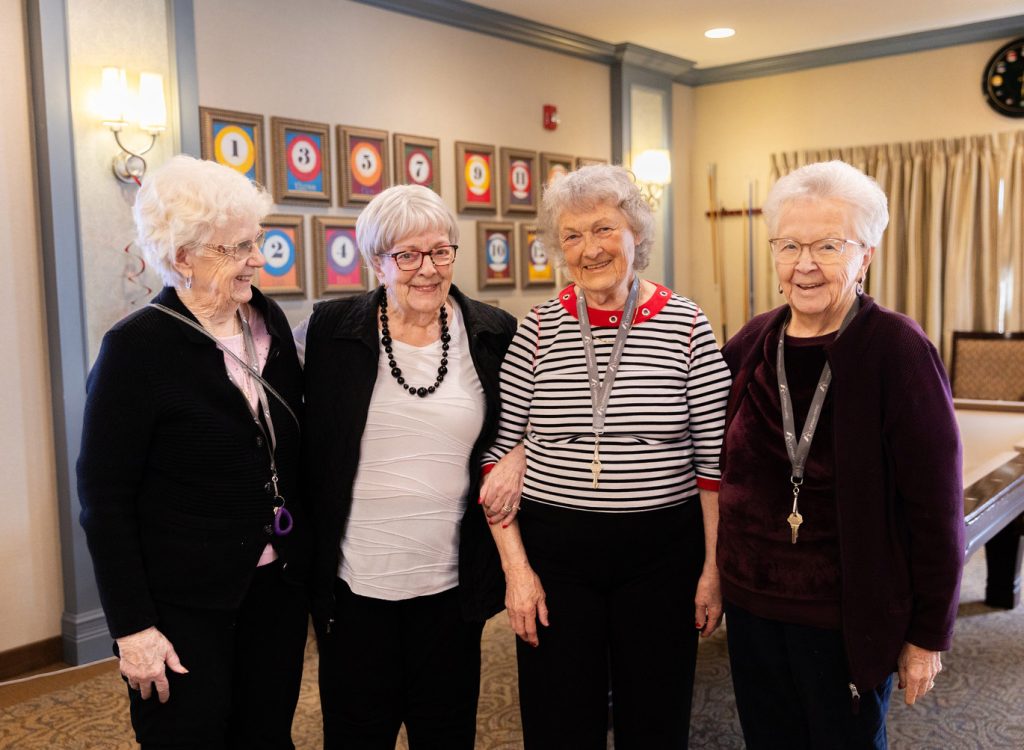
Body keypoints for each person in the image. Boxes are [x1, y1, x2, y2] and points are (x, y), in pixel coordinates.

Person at [479, 164, 732, 749]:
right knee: (559, 722)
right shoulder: (538, 329)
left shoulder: (687, 325)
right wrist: (517, 573)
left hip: (661, 557)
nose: (589, 248)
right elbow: (495, 453)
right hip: (555, 558)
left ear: (635, 233)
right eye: (572, 235)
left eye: (603, 229)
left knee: (655, 720)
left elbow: (714, 466)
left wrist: (712, 571)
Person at [716, 160, 964, 749]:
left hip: (847, 618)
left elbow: (936, 510)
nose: (804, 264)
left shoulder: (899, 351)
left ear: (866, 255)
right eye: (789, 245)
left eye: (828, 245)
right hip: (752, 607)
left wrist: (928, 636)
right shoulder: (752, 342)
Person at [77, 155, 310, 748]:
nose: (258, 259)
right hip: (182, 605)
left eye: (257, 240)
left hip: (275, 590)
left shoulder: (269, 324)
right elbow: (105, 502)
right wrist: (132, 628)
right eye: (239, 248)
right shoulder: (136, 349)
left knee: (267, 735)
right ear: (183, 257)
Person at [300, 184, 518, 749]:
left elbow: (528, 419)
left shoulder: (493, 332)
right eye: (408, 255)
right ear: (376, 262)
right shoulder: (328, 332)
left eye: (441, 251)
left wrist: (518, 455)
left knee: (446, 736)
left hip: (451, 591)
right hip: (355, 591)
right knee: (356, 738)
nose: (428, 268)